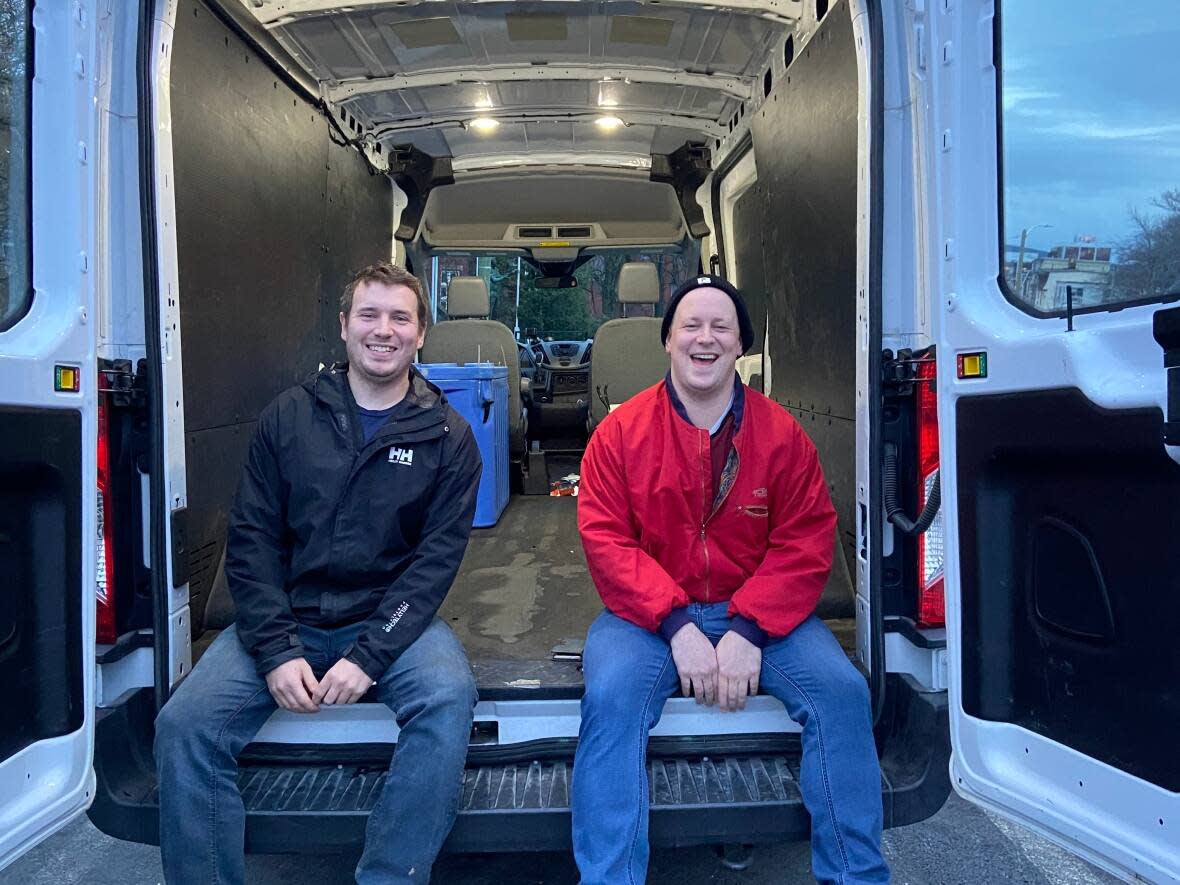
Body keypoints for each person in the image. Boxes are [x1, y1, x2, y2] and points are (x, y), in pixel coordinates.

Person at [154, 262, 482, 885]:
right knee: (184, 726)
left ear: (420, 335)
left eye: (400, 318)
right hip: (288, 616)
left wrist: (369, 656)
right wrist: (276, 651)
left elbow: (433, 566)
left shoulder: (449, 435)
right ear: (343, 326)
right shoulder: (288, 416)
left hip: (388, 619)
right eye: (369, 314)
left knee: (446, 698)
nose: (383, 330)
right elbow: (251, 542)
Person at [573, 275, 890, 884]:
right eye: (690, 325)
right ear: (667, 339)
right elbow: (607, 539)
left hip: (761, 616)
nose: (705, 338)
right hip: (646, 619)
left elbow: (805, 541)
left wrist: (748, 627)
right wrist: (676, 626)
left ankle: (857, 877)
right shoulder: (619, 434)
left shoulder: (782, 435)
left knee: (842, 695)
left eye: (721, 326)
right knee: (610, 701)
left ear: (741, 343)